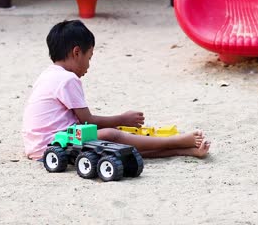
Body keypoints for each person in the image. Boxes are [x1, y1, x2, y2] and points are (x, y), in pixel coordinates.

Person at [22, 20, 210, 160]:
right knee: (111, 135)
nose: (89, 64)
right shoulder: (67, 79)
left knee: (115, 144)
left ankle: (183, 150)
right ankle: (176, 142)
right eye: (90, 57)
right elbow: (87, 120)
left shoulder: (49, 74)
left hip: (39, 144)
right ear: (76, 52)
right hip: (53, 145)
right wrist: (122, 119)